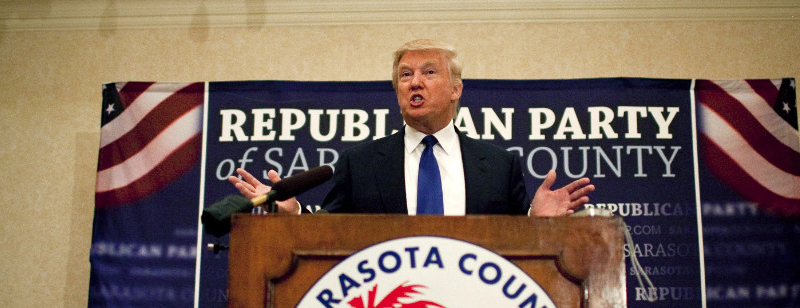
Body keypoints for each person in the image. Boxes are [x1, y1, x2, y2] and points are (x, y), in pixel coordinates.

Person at [230, 39, 594, 216]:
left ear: (456, 90)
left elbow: (516, 245)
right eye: (405, 75)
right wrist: (292, 211)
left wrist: (536, 219)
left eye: (429, 72)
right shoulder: (361, 163)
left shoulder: (499, 166)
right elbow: (331, 233)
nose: (414, 82)